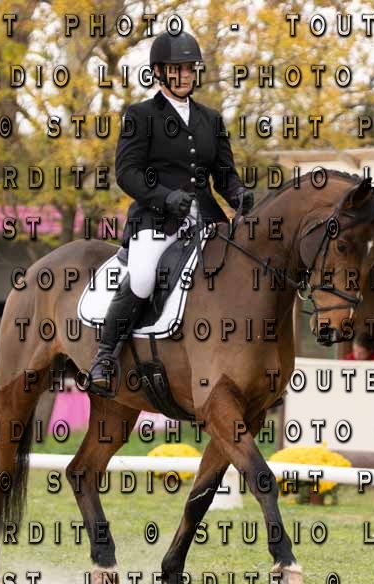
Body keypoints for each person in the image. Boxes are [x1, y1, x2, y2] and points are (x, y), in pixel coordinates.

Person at [87, 29, 254, 396]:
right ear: (159, 72)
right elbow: (127, 172)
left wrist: (238, 193)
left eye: (189, 68)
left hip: (208, 222)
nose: (184, 75)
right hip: (156, 221)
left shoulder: (211, 120)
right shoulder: (141, 115)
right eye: (176, 69)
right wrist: (164, 198)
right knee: (145, 276)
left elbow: (224, 174)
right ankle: (105, 355)